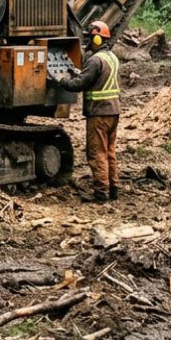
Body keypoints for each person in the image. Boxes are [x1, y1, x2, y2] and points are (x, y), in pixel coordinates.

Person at [52, 20, 121, 203]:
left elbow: (79, 85)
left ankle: (100, 193)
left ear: (98, 39)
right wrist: (78, 71)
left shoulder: (95, 60)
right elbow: (94, 77)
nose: (89, 42)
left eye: (91, 38)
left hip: (99, 113)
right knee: (109, 152)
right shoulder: (111, 57)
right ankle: (113, 188)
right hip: (113, 112)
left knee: (96, 153)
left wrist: (62, 80)